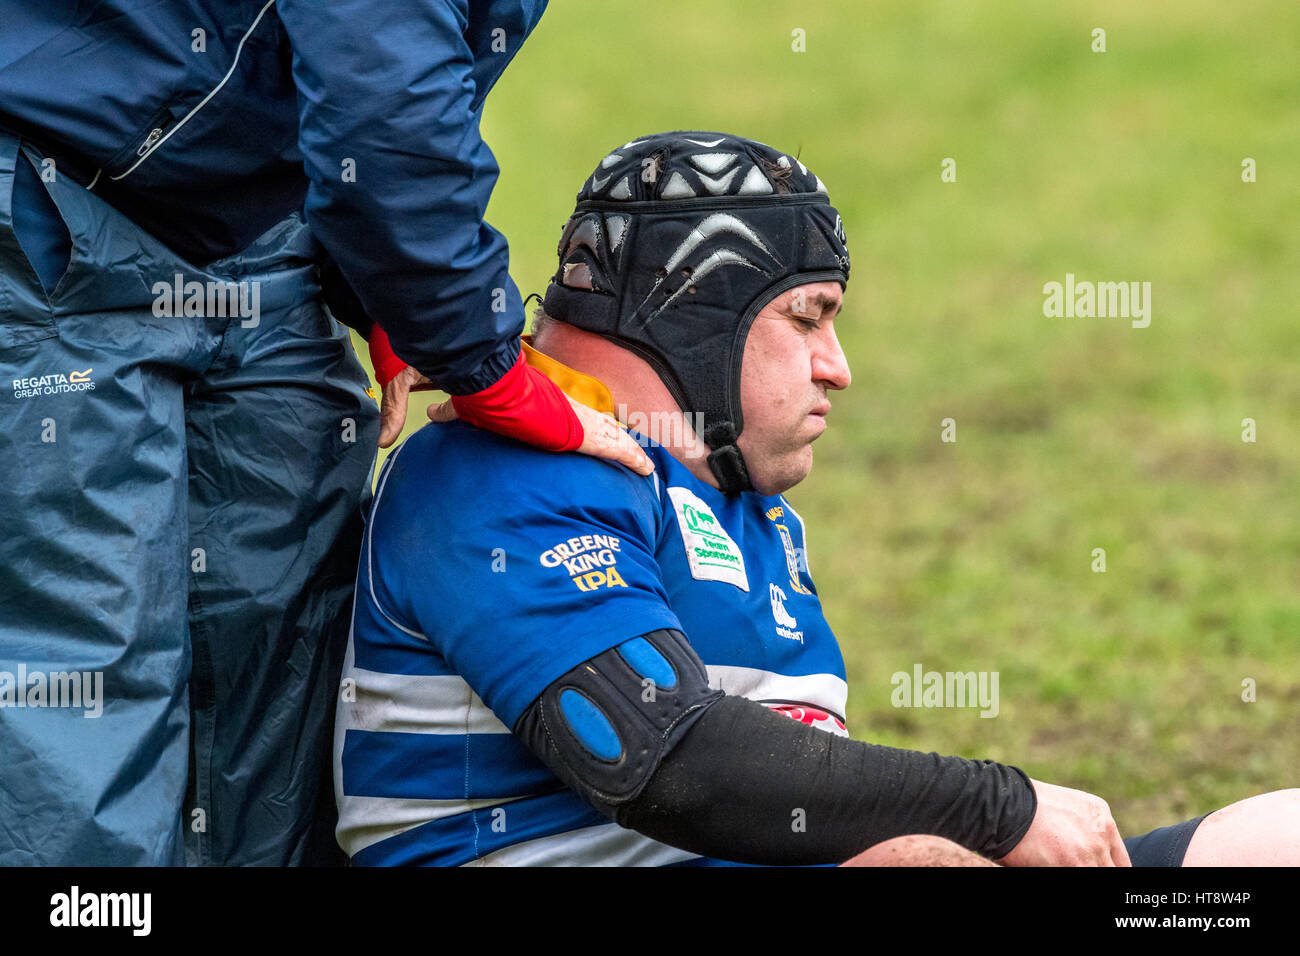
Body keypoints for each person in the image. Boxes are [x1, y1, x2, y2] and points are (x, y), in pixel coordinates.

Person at [334, 130, 1300, 866]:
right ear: (693, 313)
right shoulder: (503, 470)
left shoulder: (740, 506)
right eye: (808, 318)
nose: (837, 369)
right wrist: (998, 809)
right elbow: (665, 760)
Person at [0, 0, 645, 867]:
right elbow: (383, 80)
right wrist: (480, 360)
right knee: (87, 683)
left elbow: (373, 75)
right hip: (45, 205)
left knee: (283, 648)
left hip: (255, 231)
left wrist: (380, 286)